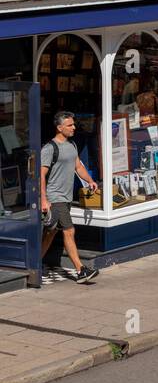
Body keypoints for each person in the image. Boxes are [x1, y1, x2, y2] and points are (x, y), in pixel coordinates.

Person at [40, 111, 100, 285]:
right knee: (69, 230)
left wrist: (90, 181)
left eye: (73, 124)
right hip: (55, 197)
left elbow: (78, 166)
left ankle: (35, 263)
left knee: (51, 233)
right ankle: (81, 270)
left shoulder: (72, 144)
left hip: (66, 198)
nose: (74, 127)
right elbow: (41, 175)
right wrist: (44, 199)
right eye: (69, 125)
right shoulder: (49, 148)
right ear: (59, 128)